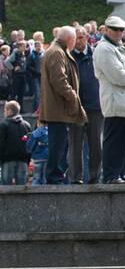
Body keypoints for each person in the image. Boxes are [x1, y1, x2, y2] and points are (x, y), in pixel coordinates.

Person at [94, 16, 125, 184]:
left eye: (121, 30)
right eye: (115, 29)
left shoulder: (117, 48)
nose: (119, 33)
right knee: (114, 139)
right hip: (115, 101)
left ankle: (120, 175)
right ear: (106, 29)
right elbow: (116, 74)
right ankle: (111, 176)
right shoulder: (104, 49)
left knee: (122, 141)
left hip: (123, 101)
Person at [39, 26, 85, 184]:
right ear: (69, 40)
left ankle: (56, 176)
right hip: (58, 109)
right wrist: (72, 96)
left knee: (60, 144)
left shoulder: (55, 51)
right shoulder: (57, 53)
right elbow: (59, 80)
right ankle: (54, 178)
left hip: (58, 109)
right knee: (58, 145)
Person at [70, 26, 102, 184]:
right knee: (75, 144)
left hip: (95, 106)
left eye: (81, 38)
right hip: (76, 108)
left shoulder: (96, 54)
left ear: (87, 37)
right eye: (75, 38)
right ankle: (76, 177)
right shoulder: (69, 57)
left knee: (96, 143)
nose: (78, 42)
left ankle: (95, 175)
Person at [0, 101, 31, 185]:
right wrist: (28, 160)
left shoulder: (3, 125)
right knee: (21, 188)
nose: (4, 113)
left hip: (7, 160)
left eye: (5, 111)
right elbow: (29, 144)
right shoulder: (26, 125)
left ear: (9, 111)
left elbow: (1, 144)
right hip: (23, 160)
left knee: (6, 188)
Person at [26, 119, 48, 185]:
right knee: (45, 178)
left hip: (37, 158)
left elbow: (29, 146)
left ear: (38, 122)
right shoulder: (50, 132)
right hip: (48, 158)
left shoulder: (35, 133)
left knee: (36, 177)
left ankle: (35, 194)